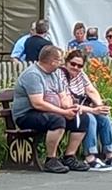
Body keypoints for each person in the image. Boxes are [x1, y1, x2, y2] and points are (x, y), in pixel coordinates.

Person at [11, 44, 89, 174]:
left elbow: (62, 95)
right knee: (57, 120)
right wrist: (63, 112)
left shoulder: (54, 74)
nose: (61, 63)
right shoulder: (33, 75)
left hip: (49, 111)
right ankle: (50, 159)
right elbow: (38, 104)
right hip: (27, 115)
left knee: (81, 119)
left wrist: (69, 108)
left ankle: (69, 156)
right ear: (52, 61)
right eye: (59, 60)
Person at [62, 49, 112, 171]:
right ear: (66, 62)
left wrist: (100, 106)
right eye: (73, 64)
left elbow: (91, 90)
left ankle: (110, 154)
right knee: (90, 118)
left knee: (104, 117)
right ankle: (90, 157)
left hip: (81, 108)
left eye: (79, 65)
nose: (75, 67)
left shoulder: (81, 75)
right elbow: (68, 105)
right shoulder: (61, 75)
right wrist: (93, 110)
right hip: (68, 111)